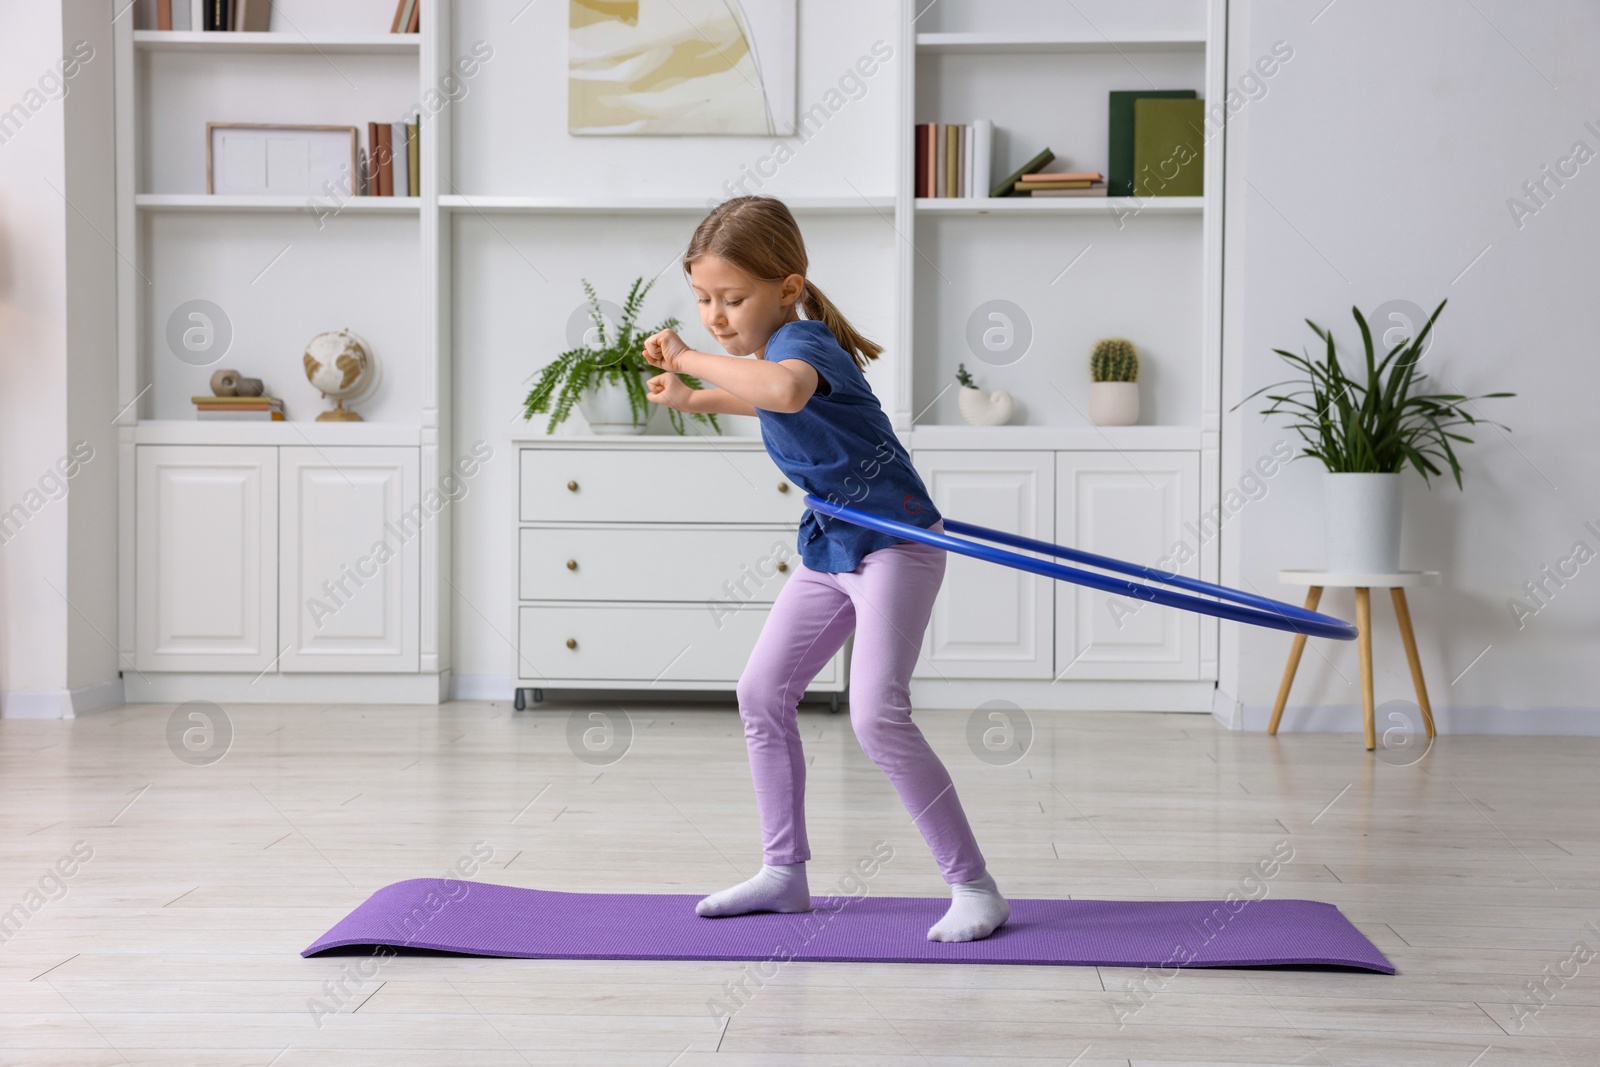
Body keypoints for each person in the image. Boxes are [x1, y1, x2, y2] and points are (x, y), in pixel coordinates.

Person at [641, 195, 1010, 943]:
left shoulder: (806, 343)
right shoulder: (771, 353)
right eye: (703, 298)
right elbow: (768, 404)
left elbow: (784, 392)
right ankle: (784, 874)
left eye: (732, 298)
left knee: (877, 714)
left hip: (897, 545)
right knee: (761, 692)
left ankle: (974, 885)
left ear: (787, 285)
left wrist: (684, 356)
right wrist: (694, 395)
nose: (714, 314)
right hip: (832, 544)